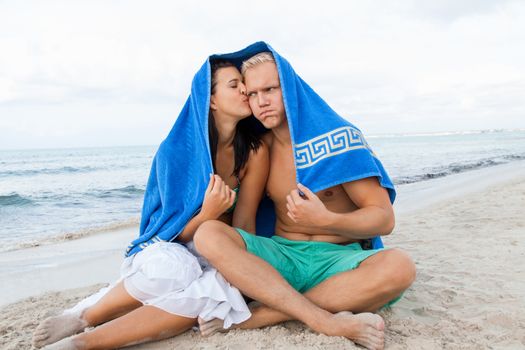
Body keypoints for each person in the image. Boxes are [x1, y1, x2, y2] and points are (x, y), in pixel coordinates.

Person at [32, 59, 269, 350]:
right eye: (234, 85)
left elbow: (245, 225)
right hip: (172, 248)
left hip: (219, 248)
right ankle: (86, 316)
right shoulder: (176, 151)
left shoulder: (255, 152)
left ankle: (82, 343)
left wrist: (238, 264)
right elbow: (168, 230)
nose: (245, 91)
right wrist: (208, 214)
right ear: (211, 100)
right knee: (177, 270)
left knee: (221, 291)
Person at [193, 44, 416, 350]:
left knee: (399, 266)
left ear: (290, 87)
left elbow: (383, 218)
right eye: (253, 94)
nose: (261, 102)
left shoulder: (339, 138)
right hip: (283, 257)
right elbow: (245, 220)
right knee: (209, 234)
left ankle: (261, 316)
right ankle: (321, 317)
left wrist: (327, 219)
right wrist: (238, 263)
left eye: (270, 89)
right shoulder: (263, 149)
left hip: (339, 261)